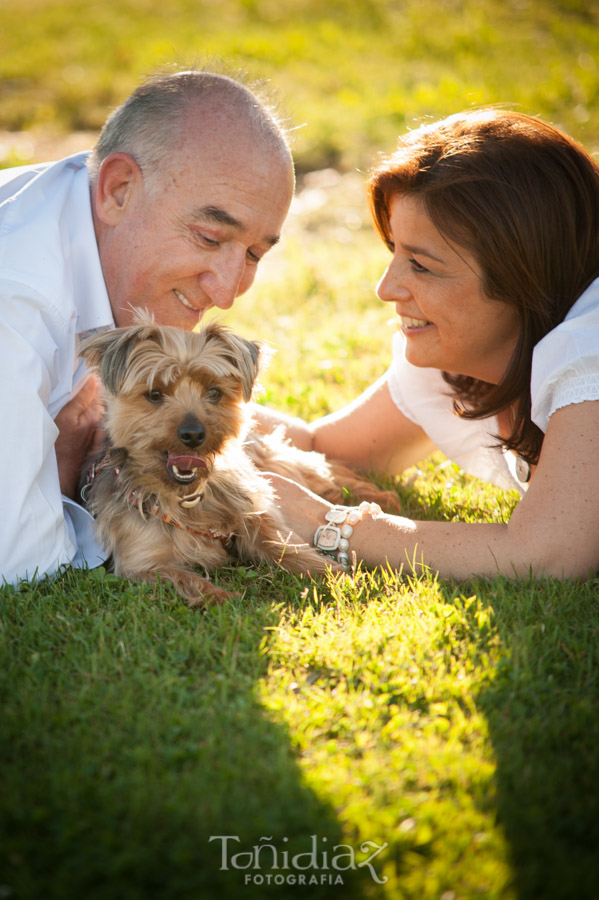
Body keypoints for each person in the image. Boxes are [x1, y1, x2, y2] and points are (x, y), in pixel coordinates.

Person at [258, 108, 599, 581]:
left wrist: (324, 524)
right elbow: (324, 446)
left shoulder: (589, 354)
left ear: (523, 275)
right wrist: (159, 411)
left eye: (421, 265)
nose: (386, 287)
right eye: (394, 251)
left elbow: (545, 554)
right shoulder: (457, 361)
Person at [0, 68, 295, 586]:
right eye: (208, 237)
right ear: (118, 190)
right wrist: (69, 474)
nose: (226, 293)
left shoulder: (81, 201)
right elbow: (19, 562)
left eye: (253, 253)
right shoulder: (15, 308)